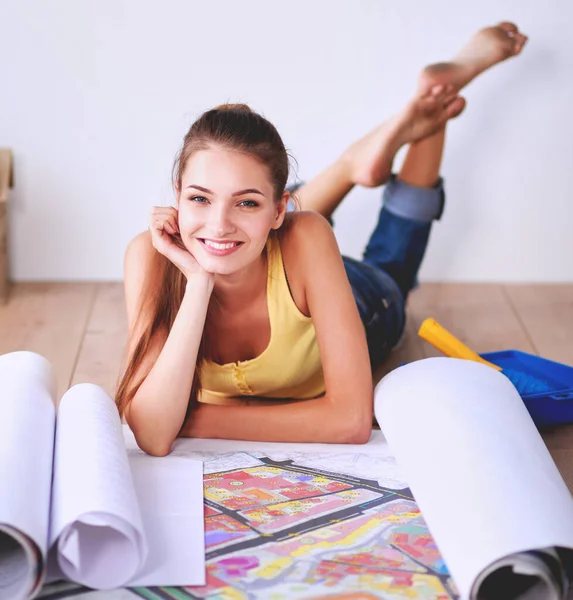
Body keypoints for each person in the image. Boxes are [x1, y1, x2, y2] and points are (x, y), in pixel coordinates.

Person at [117, 22, 527, 456]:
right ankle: (353, 166)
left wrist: (189, 418)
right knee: (249, 227)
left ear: (279, 210)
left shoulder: (306, 232)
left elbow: (351, 421)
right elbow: (152, 434)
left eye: (247, 203)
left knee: (389, 263)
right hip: (269, 251)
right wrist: (198, 283)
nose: (217, 223)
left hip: (360, 296)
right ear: (177, 195)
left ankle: (432, 111)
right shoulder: (150, 255)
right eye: (199, 198)